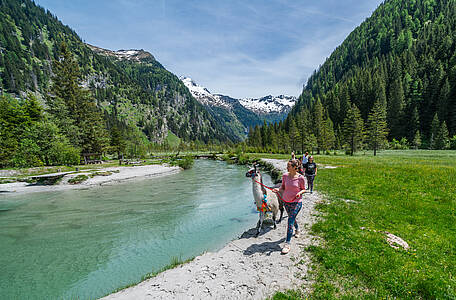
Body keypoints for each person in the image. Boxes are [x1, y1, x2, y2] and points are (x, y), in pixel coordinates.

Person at [273, 159, 305, 254]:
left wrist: (299, 192)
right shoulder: (285, 176)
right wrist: (278, 190)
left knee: (290, 220)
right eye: (287, 166)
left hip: (296, 202)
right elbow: (283, 187)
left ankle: (287, 244)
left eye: (289, 166)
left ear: (295, 168)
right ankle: (298, 229)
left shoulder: (300, 178)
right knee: (292, 217)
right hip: (286, 201)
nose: (287, 168)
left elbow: (303, 189)